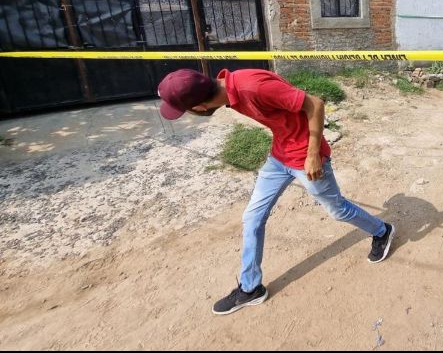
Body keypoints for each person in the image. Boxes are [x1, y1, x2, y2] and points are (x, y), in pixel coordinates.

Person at [157, 68, 396, 315]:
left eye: (185, 110)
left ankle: (382, 230)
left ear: (199, 107)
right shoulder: (231, 91)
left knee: (337, 210)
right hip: (279, 158)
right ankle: (251, 289)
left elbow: (315, 104)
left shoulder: (252, 87)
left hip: (306, 160)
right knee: (252, 218)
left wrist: (313, 155)